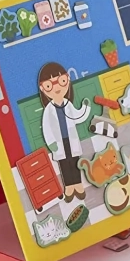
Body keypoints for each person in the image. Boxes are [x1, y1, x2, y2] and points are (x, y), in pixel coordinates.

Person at [39, 62, 90, 202]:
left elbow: (78, 117)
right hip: (58, 142)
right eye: (49, 85)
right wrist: (51, 143)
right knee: (64, 164)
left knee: (74, 161)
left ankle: (78, 184)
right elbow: (46, 127)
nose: (56, 87)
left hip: (71, 139)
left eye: (61, 81)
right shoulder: (48, 110)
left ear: (67, 80)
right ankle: (69, 187)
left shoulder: (68, 104)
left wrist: (85, 108)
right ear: (42, 88)